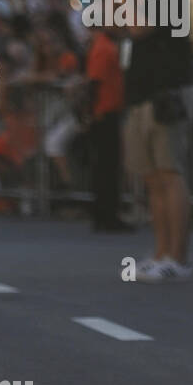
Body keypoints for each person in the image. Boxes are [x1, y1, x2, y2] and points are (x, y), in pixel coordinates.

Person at [103, 0, 193, 282]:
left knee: (170, 175)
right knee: (153, 179)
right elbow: (114, 24)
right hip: (142, 94)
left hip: (168, 93)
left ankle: (179, 257)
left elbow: (140, 28)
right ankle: (161, 253)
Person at [84, 16, 129, 231]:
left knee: (106, 168)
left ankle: (105, 215)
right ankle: (106, 216)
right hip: (105, 114)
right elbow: (94, 83)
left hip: (106, 112)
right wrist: (92, 113)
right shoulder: (104, 47)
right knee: (107, 168)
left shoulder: (105, 46)